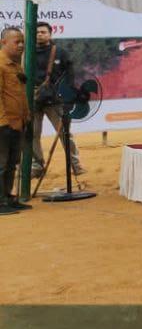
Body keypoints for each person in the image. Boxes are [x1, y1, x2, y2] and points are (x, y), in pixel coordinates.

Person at [30, 21, 84, 177]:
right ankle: (37, 166)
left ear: (50, 34)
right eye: (36, 32)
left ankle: (75, 165)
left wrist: (68, 94)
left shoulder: (60, 52)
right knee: (33, 135)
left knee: (65, 134)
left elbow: (70, 75)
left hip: (55, 101)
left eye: (42, 32)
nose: (39, 34)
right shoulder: (26, 53)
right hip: (33, 101)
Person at [0, 28, 30, 212]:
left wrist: (26, 117)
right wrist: (3, 123)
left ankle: (8, 198)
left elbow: (19, 95)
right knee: (1, 164)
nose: (20, 45)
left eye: (22, 42)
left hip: (18, 123)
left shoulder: (16, 65)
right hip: (4, 124)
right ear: (4, 42)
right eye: (16, 42)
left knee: (12, 163)